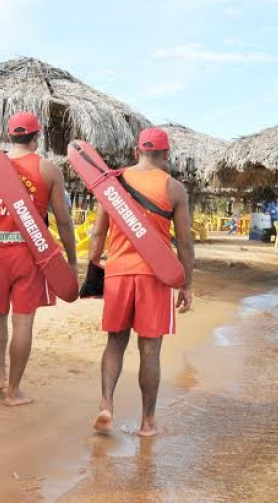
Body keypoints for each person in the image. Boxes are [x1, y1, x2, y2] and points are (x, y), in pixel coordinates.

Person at [0, 111, 77, 407]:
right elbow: (63, 220)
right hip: (32, 253)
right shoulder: (48, 170)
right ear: (37, 137)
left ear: (9, 136)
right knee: (23, 320)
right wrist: (72, 258)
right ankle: (14, 391)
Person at [88, 127, 195, 437]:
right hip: (156, 276)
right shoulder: (174, 189)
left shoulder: (113, 184)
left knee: (114, 343)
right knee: (150, 351)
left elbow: (98, 233)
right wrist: (186, 284)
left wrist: (95, 268)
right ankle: (147, 423)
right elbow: (185, 244)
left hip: (119, 273)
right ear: (165, 155)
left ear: (138, 151)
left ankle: (106, 404)